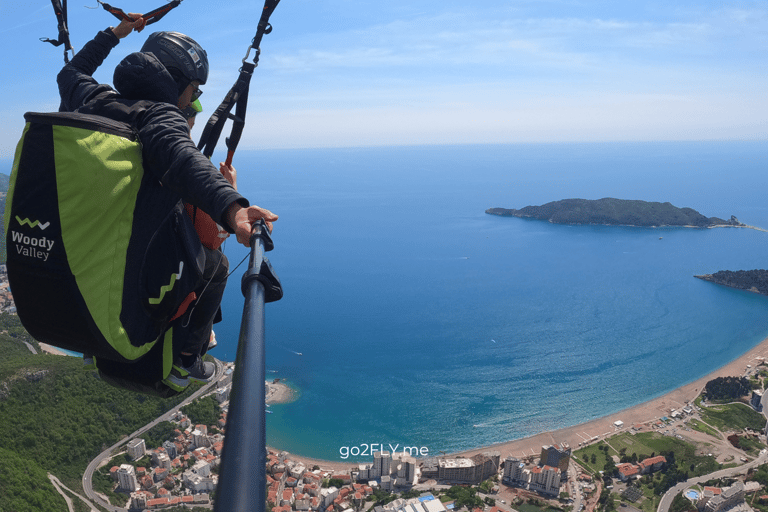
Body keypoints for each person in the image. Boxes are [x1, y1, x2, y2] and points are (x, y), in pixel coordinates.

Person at [57, 15, 277, 381]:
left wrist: (114, 34)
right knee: (217, 267)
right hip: (131, 253)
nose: (194, 100)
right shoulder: (159, 116)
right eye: (194, 90)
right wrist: (234, 210)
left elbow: (72, 71)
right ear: (175, 83)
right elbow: (184, 159)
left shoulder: (91, 99)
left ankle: (90, 345)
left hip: (85, 245)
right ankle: (186, 358)